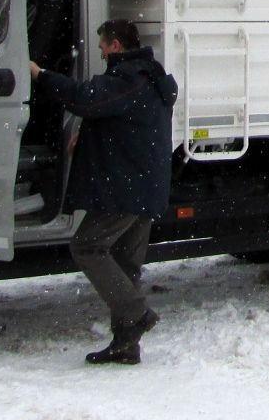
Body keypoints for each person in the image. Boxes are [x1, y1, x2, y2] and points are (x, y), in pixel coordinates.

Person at [29, 19, 178, 365]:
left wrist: (41, 74)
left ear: (114, 44)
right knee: (125, 263)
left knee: (87, 246)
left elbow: (86, 99)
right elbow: (117, 118)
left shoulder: (130, 77)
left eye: (101, 45)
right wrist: (88, 133)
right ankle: (126, 345)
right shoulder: (147, 77)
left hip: (128, 187)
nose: (99, 51)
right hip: (144, 184)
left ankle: (137, 314)